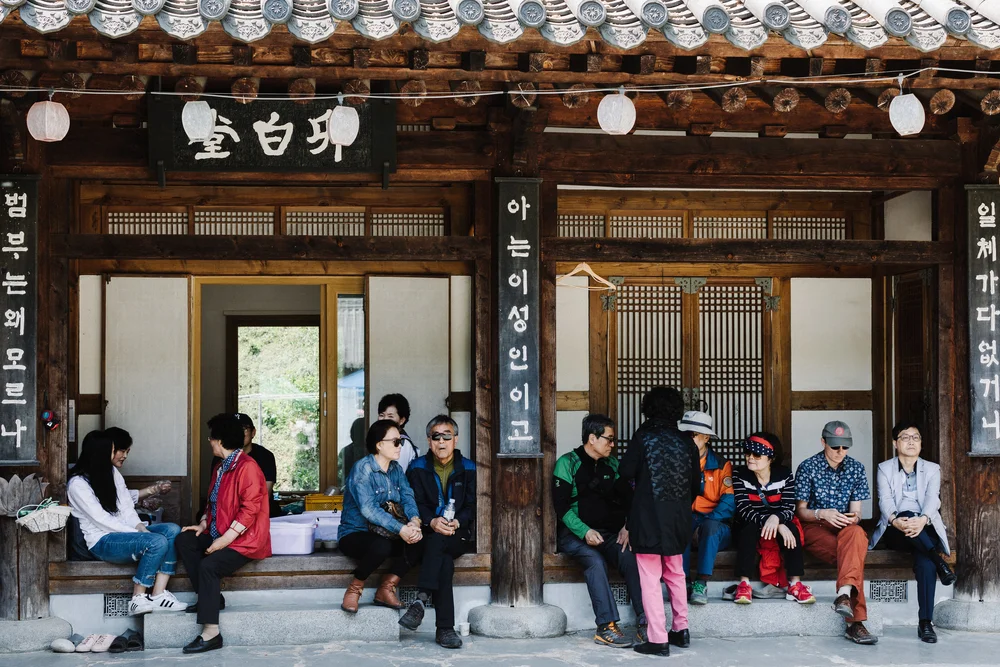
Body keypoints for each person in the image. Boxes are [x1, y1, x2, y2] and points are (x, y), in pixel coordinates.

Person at [177, 414, 271, 654]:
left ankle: (211, 633)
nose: (209, 442)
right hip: (219, 531)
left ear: (219, 440)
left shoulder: (248, 467)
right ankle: (211, 597)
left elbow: (250, 510)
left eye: (211, 438)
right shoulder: (221, 467)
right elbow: (213, 503)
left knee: (209, 566)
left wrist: (225, 540)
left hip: (244, 540)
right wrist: (202, 524)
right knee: (185, 540)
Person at [619, 387, 701, 657]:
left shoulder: (643, 437)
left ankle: (657, 638)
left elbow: (625, 471)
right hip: (678, 518)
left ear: (648, 408)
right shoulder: (686, 441)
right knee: (676, 572)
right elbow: (696, 486)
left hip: (647, 517)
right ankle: (681, 629)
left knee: (650, 577)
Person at [552, 413, 646, 648]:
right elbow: (561, 507)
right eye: (609, 439)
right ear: (592, 438)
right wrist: (584, 531)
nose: (612, 445)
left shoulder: (612, 465)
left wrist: (627, 526)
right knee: (595, 561)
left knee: (629, 557)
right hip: (574, 535)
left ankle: (646, 621)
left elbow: (629, 499)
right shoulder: (567, 463)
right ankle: (606, 627)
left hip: (609, 533)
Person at [67, 430, 186, 615]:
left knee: (172, 530)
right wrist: (139, 534)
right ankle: (137, 598)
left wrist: (139, 527)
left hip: (126, 533)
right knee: (156, 541)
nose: (119, 455)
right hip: (102, 540)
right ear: (100, 452)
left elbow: (126, 508)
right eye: (114, 450)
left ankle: (158, 594)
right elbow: (101, 520)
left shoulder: (112, 473)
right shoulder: (78, 484)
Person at [870, 421, 956, 643]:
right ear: (895, 443)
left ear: (921, 443)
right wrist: (896, 520)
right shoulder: (884, 468)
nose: (911, 441)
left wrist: (923, 520)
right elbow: (885, 500)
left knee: (925, 564)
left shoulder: (932, 469)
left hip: (924, 526)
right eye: (905, 437)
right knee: (907, 513)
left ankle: (925, 623)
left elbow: (932, 499)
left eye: (915, 437)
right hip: (896, 529)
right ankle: (939, 561)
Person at [795, 420, 877, 645]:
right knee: (854, 558)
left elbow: (857, 512)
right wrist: (822, 513)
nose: (840, 451)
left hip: (843, 527)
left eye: (845, 447)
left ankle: (843, 595)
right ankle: (855, 624)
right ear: (823, 442)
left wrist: (852, 518)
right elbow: (800, 511)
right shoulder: (807, 467)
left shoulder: (856, 468)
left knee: (857, 533)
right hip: (815, 526)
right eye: (835, 447)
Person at [398, 415, 477, 649]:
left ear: (456, 439)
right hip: (427, 532)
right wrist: (431, 521)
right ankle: (445, 629)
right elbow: (414, 503)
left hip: (457, 533)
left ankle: (421, 600)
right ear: (428, 440)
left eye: (446, 436)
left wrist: (458, 522)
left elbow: (473, 505)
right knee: (443, 560)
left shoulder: (469, 468)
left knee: (439, 545)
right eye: (436, 437)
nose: (441, 442)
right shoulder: (417, 467)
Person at [338, 419, 422, 614]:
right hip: (355, 533)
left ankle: (386, 588)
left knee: (421, 540)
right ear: (379, 445)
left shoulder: (396, 469)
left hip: (387, 532)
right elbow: (368, 509)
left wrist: (414, 521)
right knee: (381, 546)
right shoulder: (363, 469)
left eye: (400, 441)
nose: (400, 446)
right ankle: (355, 588)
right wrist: (401, 529)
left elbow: (408, 497)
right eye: (395, 441)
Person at [731, 432, 815, 605]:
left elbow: (789, 508)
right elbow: (744, 509)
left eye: (757, 455)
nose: (750, 458)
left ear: (771, 458)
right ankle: (744, 583)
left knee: (792, 530)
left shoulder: (784, 474)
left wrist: (777, 520)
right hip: (751, 521)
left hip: (779, 520)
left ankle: (795, 584)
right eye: (747, 453)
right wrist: (773, 523)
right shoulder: (740, 474)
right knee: (748, 529)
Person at [677, 410, 734, 605]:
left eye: (693, 435)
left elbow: (729, 502)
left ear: (706, 438)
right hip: (687, 519)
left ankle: (701, 583)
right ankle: (683, 581)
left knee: (710, 528)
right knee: (680, 523)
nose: (688, 439)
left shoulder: (721, 465)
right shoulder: (677, 463)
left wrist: (707, 521)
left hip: (714, 523)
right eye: (685, 434)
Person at [210, 414, 280, 517]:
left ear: (253, 432)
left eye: (243, 429)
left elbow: (263, 496)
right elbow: (215, 493)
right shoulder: (219, 459)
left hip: (257, 513)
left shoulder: (263, 457)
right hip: (227, 514)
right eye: (234, 429)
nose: (238, 433)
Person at [105, 426, 173, 505]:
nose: (125, 456)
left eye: (127, 452)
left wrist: (154, 489)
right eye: (122, 451)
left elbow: (123, 497)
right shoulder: (99, 473)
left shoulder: (113, 471)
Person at [378, 393, 420, 472]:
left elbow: (397, 475)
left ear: (402, 420)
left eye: (390, 416)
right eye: (381, 415)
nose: (384, 419)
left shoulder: (402, 444)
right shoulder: (382, 439)